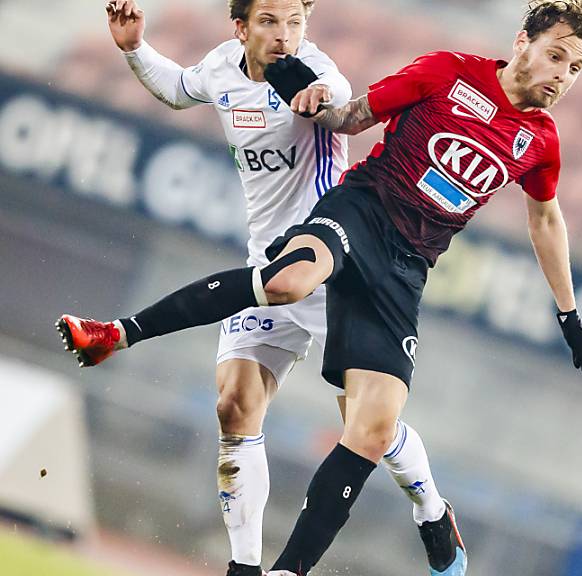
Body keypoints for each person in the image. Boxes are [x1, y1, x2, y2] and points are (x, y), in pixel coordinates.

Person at [62, 0, 582, 573]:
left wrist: (569, 316)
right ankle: (120, 338)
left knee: (371, 430)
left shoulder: (541, 142)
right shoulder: (448, 71)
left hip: (405, 269)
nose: (561, 77)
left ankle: (422, 511)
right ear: (523, 41)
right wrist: (315, 101)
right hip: (356, 215)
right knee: (252, 363)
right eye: (556, 57)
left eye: (574, 69)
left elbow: (545, 219)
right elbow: (351, 117)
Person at [93, 1, 454, 575]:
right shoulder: (221, 67)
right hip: (268, 267)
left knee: (369, 428)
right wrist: (134, 49)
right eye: (269, 22)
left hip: (332, 269)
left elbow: (331, 94)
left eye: (295, 22)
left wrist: (316, 96)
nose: (285, 35)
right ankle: (244, 566)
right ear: (240, 27)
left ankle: (431, 509)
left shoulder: (313, 68)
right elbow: (181, 88)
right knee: (234, 405)